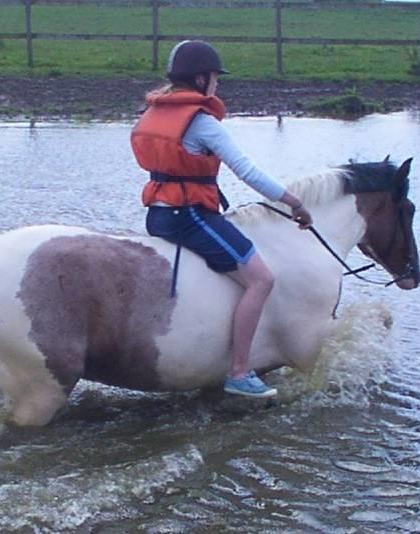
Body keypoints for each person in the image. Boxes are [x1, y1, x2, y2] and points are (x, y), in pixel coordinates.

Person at [130, 40, 313, 398]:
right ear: (200, 79)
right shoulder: (201, 123)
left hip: (158, 215)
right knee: (261, 279)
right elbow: (248, 171)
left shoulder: (152, 112)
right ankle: (240, 372)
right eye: (215, 78)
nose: (217, 85)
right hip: (189, 217)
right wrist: (294, 202)